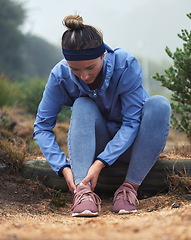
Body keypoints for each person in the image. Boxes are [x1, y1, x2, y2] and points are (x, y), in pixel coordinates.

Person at [34, 14, 171, 217]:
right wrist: (63, 167)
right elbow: (41, 127)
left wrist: (100, 163)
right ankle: (83, 190)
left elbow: (132, 122)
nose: (85, 76)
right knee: (82, 103)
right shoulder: (59, 75)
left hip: (135, 147)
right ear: (66, 62)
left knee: (159, 104)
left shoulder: (125, 64)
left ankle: (129, 188)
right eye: (75, 70)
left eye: (90, 67)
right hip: (95, 145)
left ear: (103, 55)